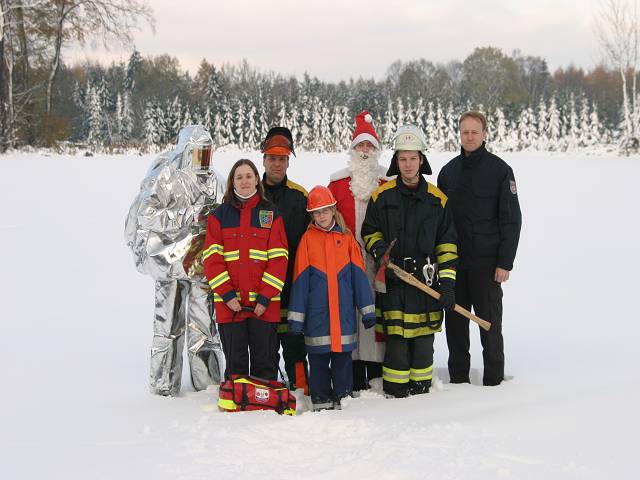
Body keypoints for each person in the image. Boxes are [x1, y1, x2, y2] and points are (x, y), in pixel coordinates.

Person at [125, 125, 225, 396]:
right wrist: (187, 216)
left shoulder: (214, 179)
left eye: (207, 153)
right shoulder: (165, 173)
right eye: (198, 153)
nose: (203, 159)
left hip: (202, 265)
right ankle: (164, 385)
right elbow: (146, 214)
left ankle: (208, 384)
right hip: (169, 265)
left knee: (205, 326)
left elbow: (224, 214)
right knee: (168, 325)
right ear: (186, 150)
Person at [361, 124, 458, 398]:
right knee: (397, 350)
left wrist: (447, 286)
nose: (408, 164)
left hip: (426, 288)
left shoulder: (438, 200)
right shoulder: (382, 197)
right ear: (396, 161)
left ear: (422, 160)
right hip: (395, 286)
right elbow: (369, 231)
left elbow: (448, 246)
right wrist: (382, 254)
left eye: (413, 158)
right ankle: (396, 397)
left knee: (423, 349)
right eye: (402, 158)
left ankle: (421, 401)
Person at [437, 111, 522, 386]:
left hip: (487, 265)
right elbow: (440, 222)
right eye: (465, 132)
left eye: (474, 132)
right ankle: (459, 379)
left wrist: (505, 262)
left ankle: (494, 380)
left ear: (484, 133)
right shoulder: (448, 173)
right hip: (454, 265)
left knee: (490, 326)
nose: (469, 137)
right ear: (459, 134)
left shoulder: (500, 171)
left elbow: (512, 220)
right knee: (456, 326)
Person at [288, 186, 376, 410]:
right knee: (317, 363)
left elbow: (359, 278)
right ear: (312, 215)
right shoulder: (307, 240)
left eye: (326, 210)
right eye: (317, 212)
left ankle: (343, 400)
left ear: (334, 209)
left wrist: (367, 310)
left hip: (343, 317)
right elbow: (299, 283)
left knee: (342, 362)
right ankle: (321, 402)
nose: (322, 216)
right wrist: (296, 319)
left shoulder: (346, 239)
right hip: (317, 320)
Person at [203, 159, 288, 382]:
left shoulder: (271, 214)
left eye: (249, 176)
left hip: (264, 307)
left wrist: (265, 298)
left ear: (257, 180)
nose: (244, 181)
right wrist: (228, 296)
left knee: (265, 365)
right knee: (236, 366)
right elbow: (212, 260)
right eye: (239, 177)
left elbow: (279, 259)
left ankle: (265, 411)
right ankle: (237, 412)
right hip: (231, 307)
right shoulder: (219, 216)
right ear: (232, 182)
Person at [327, 110, 389, 392]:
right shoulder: (338, 183)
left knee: (376, 312)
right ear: (352, 149)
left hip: (378, 262)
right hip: (346, 263)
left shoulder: (388, 184)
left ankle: (377, 370)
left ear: (376, 150)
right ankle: (352, 372)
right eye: (360, 146)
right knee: (349, 313)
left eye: (370, 146)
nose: (364, 151)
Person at [260, 127, 310, 391]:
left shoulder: (300, 197)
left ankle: (301, 391)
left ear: (288, 161)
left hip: (293, 289)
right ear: (264, 160)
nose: (277, 164)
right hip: (259, 292)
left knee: (295, 347)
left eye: (282, 159)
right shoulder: (251, 195)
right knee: (265, 350)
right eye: (272, 158)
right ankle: (266, 393)